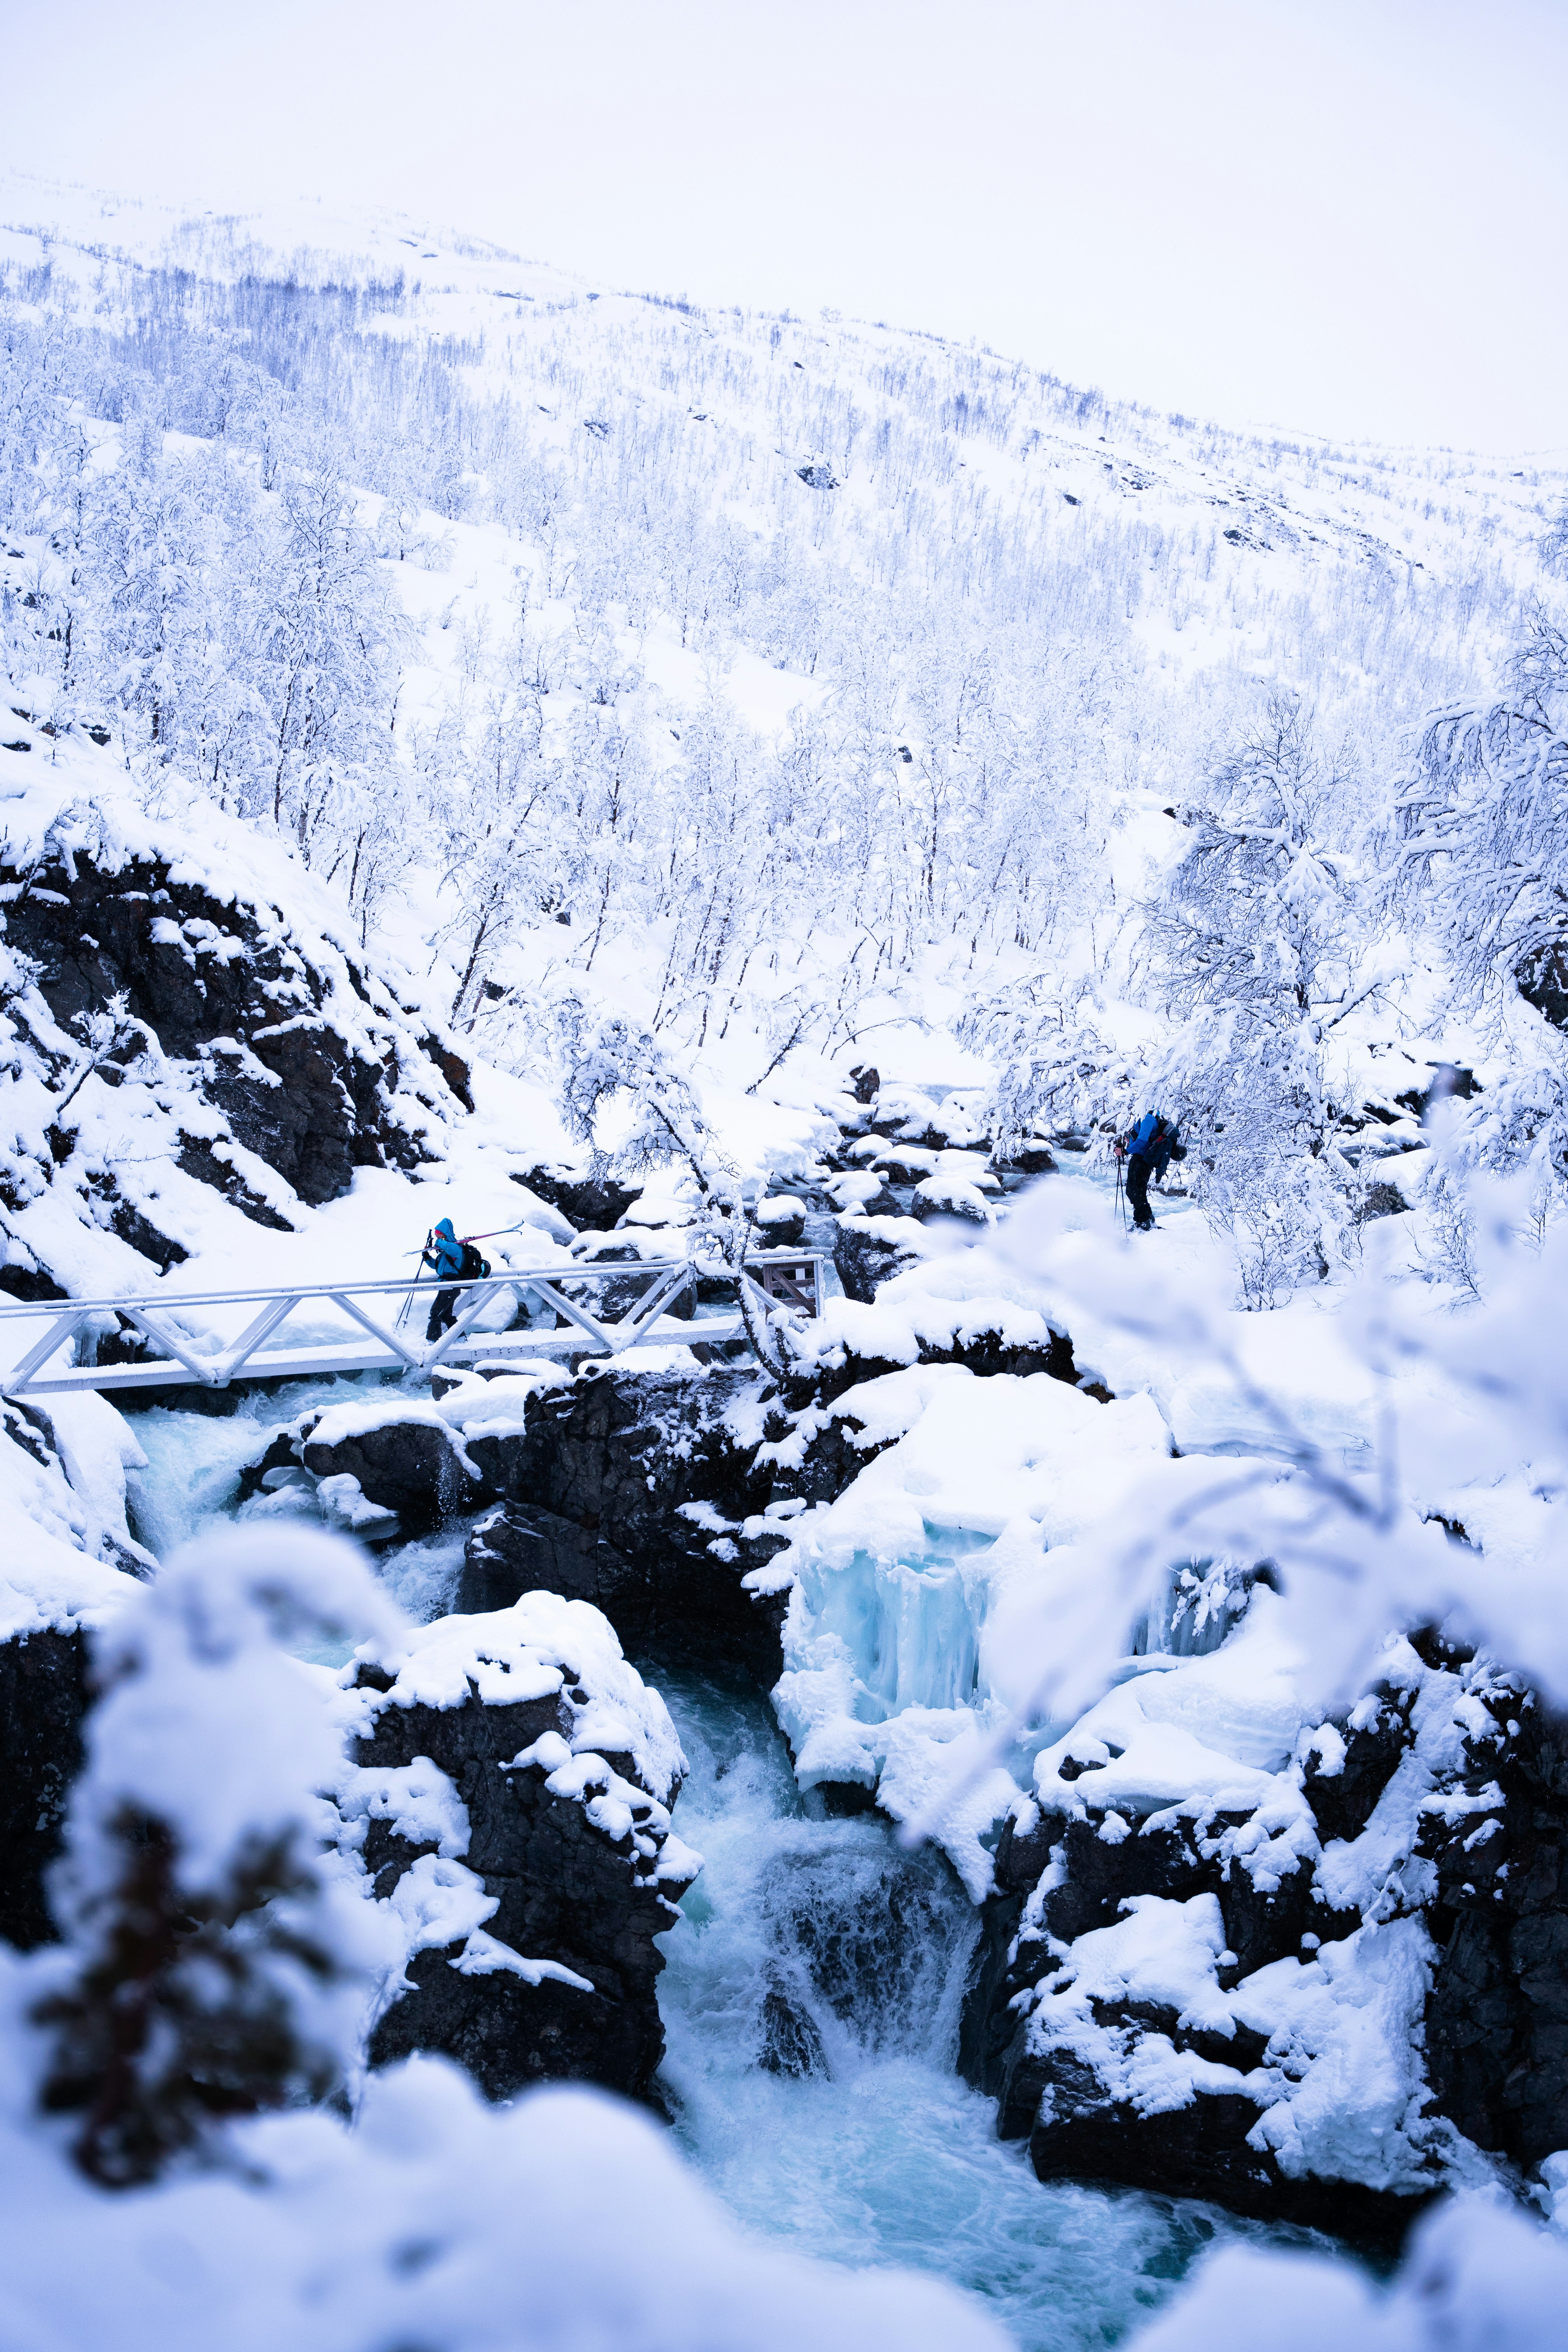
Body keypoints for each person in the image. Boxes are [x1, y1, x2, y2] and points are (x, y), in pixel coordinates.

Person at [1121, 1111, 1183, 1232]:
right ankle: (1148, 1220)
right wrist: (1132, 1137)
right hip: (1143, 1160)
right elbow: (1144, 1138)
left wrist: (1125, 1152)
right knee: (1138, 1191)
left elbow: (1142, 1142)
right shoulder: (1148, 1116)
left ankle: (1143, 1223)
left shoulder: (1149, 1118)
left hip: (1142, 1160)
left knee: (1134, 1192)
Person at [421, 1216, 465, 1340]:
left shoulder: (455, 1248)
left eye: (439, 1236)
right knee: (446, 1314)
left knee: (435, 1312)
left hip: (451, 1285)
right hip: (445, 1285)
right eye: (436, 1237)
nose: (438, 1239)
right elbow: (438, 1268)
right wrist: (427, 1257)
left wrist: (439, 1242)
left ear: (446, 1235)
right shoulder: (444, 1253)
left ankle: (433, 1341)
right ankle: (460, 1338)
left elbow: (450, 1248)